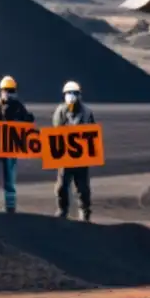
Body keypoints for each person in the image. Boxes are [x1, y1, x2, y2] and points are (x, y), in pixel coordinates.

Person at [0, 75, 34, 214]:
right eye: (5, 90)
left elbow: (27, 124)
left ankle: (10, 209)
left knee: (10, 180)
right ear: (1, 90)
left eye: (10, 90)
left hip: (11, 149)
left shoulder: (18, 107)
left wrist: (28, 118)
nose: (7, 93)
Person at [52, 80, 96, 222]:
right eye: (69, 93)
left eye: (74, 93)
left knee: (83, 188)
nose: (71, 96)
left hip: (81, 157)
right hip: (65, 156)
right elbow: (55, 131)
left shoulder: (87, 112)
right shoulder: (60, 111)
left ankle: (85, 213)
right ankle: (62, 210)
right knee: (61, 186)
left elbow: (92, 132)